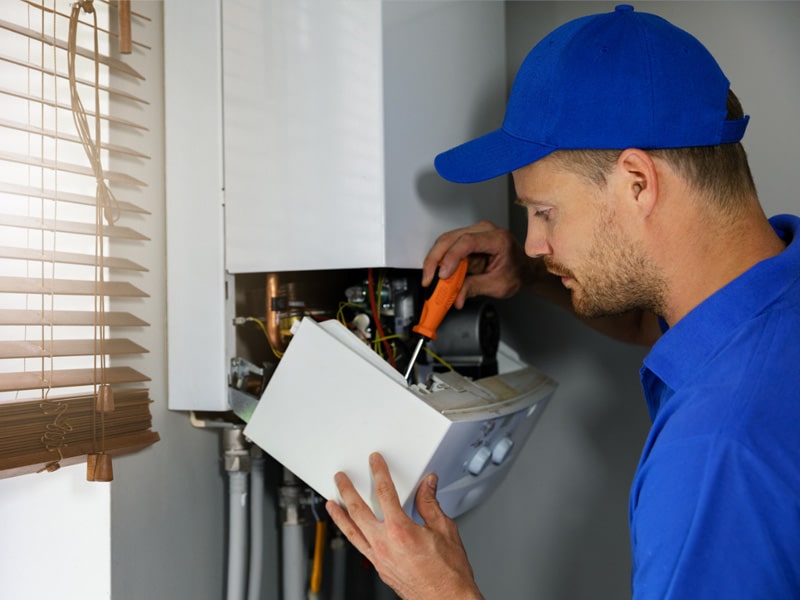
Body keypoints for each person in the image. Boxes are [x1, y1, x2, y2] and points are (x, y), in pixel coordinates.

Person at [325, 5, 800, 599]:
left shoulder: (714, 455)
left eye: (544, 213)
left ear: (637, 183)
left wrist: (444, 593)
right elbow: (663, 323)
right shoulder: (774, 288)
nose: (533, 242)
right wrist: (530, 273)